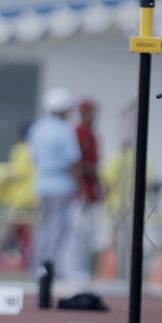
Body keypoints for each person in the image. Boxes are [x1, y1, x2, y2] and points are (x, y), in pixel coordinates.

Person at [27, 88, 82, 279]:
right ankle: (52, 267)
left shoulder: (37, 129)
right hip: (62, 184)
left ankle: (38, 267)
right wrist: (79, 185)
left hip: (42, 183)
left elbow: (34, 158)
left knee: (44, 227)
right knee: (59, 228)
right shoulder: (65, 130)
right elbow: (73, 162)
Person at [61, 98, 102, 282]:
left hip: (90, 190)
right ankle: (68, 269)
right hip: (80, 190)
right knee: (75, 232)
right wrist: (81, 188)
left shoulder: (91, 134)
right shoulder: (78, 133)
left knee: (88, 234)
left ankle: (78, 268)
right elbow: (76, 164)